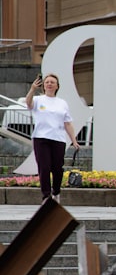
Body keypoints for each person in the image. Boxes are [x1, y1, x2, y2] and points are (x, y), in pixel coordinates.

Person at [26, 73, 80, 204]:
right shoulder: (39, 100)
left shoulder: (62, 103)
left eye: (52, 82)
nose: (49, 84)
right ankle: (46, 196)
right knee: (44, 167)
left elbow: (67, 123)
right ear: (43, 85)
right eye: (47, 82)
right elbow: (28, 103)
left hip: (58, 139)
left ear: (57, 86)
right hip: (41, 138)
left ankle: (56, 192)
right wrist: (32, 89)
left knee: (57, 168)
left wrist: (74, 140)